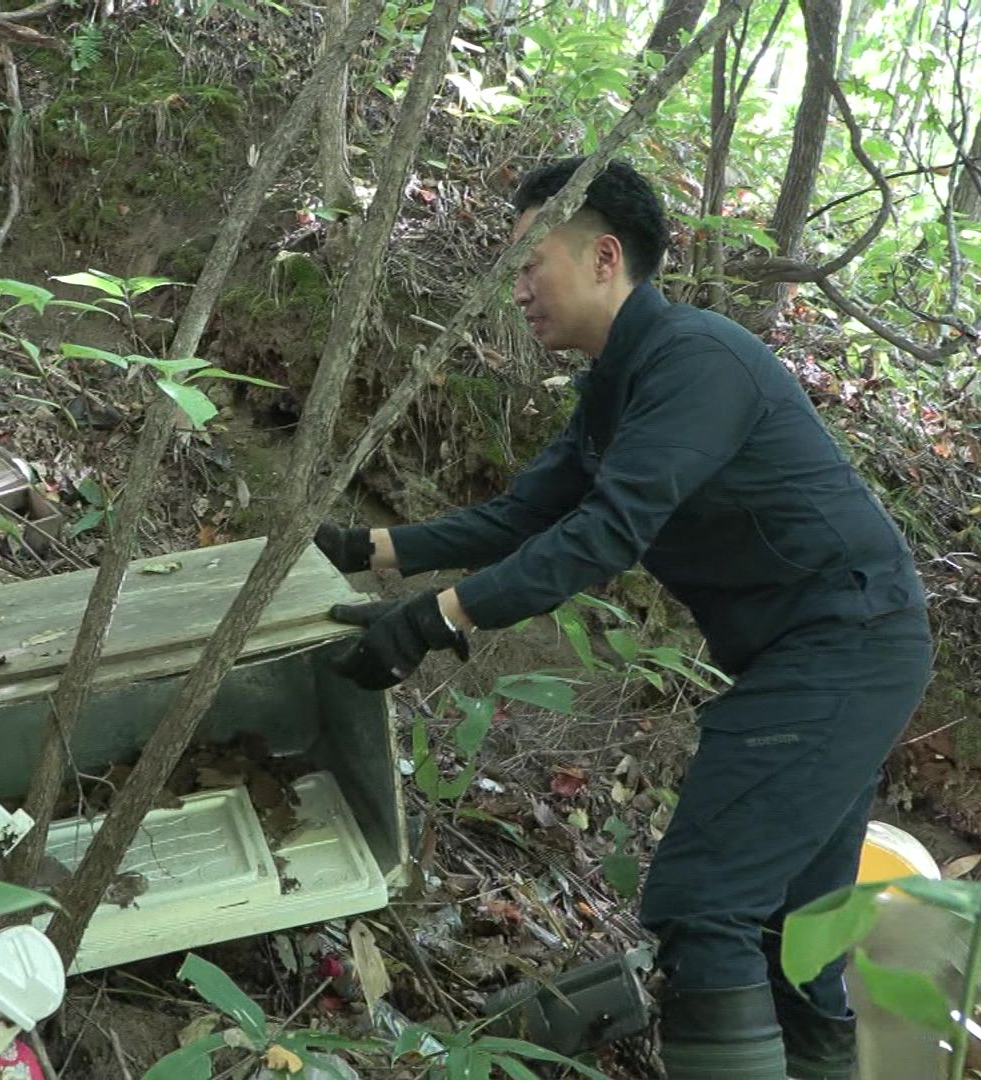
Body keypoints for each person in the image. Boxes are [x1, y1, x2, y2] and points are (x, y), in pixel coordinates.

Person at [314, 156, 934, 1080]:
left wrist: (434, 620)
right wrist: (368, 551)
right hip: (821, 657)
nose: (516, 290)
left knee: (706, 901)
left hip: (844, 644)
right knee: (792, 931)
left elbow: (605, 533)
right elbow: (527, 515)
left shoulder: (697, 362)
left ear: (604, 256)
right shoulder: (618, 382)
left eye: (531, 265)